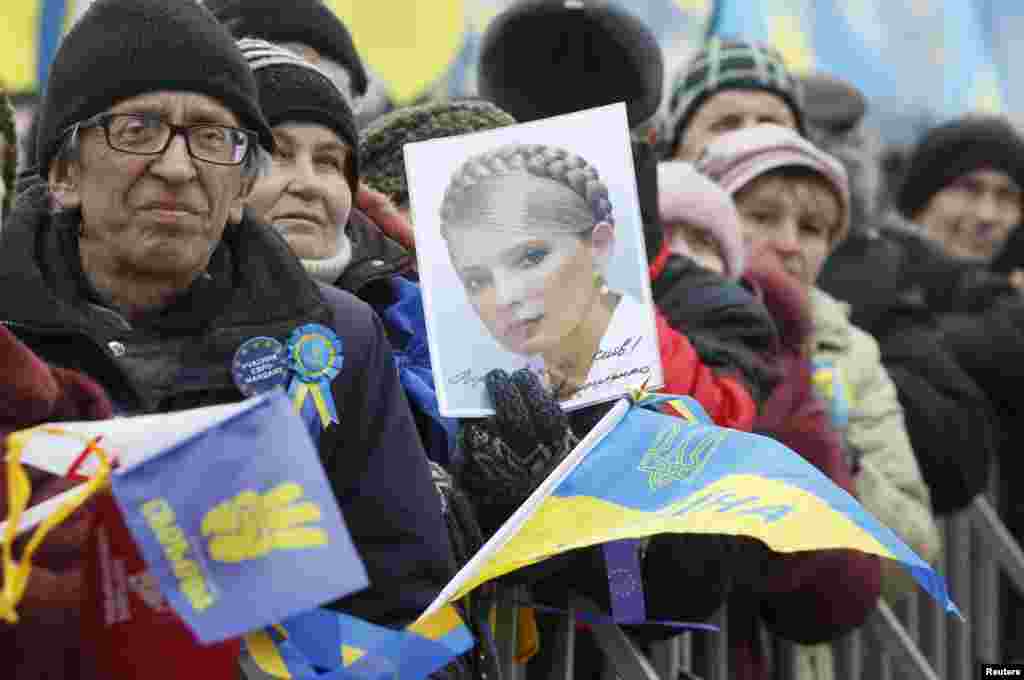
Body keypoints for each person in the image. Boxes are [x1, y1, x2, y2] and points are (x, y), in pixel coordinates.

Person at [0, 1, 455, 676]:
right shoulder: (11, 347)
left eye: (214, 137)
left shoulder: (335, 343)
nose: (179, 167)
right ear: (63, 173)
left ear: (241, 185)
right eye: (138, 128)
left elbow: (409, 619)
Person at [698, 124, 942, 679]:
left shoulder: (851, 353)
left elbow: (913, 555)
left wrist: (838, 459)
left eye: (812, 228)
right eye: (761, 216)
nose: (788, 243)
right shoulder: (662, 327)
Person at [806, 75, 999, 515]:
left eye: (812, 225)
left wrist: (851, 374)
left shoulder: (883, 269)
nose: (987, 215)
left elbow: (958, 455)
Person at [893, 114, 1024, 658]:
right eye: (967, 189)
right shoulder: (880, 277)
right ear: (923, 198)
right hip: (913, 607)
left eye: (1007, 196)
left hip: (1003, 597)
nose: (988, 215)